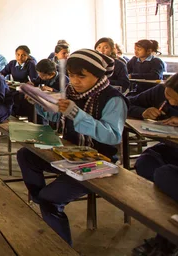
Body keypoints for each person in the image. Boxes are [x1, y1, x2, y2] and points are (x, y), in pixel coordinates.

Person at [16, 49, 127, 245]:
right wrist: (39, 103)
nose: (75, 81)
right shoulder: (72, 92)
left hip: (99, 161)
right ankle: (40, 200)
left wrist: (77, 113)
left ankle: (61, 245)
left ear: (98, 75)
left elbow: (112, 136)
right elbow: (57, 117)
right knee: (26, 155)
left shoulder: (112, 99)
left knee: (50, 200)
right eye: (72, 75)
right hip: (70, 153)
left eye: (81, 76)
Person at [128, 73, 178, 256]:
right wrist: (142, 111)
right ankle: (167, 237)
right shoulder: (160, 91)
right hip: (169, 151)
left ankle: (164, 240)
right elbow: (127, 102)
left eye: (176, 100)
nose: (170, 103)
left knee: (165, 175)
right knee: (145, 163)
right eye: (168, 97)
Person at [0, 45, 38, 120]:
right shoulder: (12, 63)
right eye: (18, 54)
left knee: (17, 98)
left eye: (23, 55)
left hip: (25, 90)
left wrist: (29, 83)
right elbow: (2, 73)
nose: (20, 57)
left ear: (27, 56)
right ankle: (7, 117)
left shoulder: (30, 64)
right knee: (4, 95)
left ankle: (16, 117)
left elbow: (34, 80)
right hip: (14, 88)